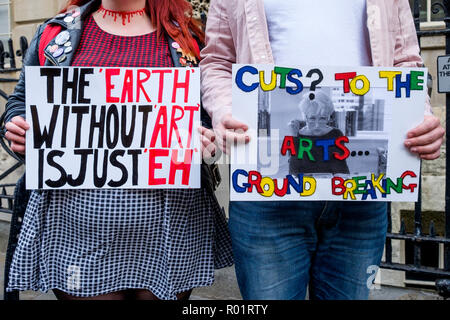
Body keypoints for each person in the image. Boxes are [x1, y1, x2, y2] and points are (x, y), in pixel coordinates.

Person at [200, 0, 445, 299]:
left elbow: (406, 62)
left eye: (321, 117)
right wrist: (225, 109)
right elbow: (217, 62)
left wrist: (419, 115)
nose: (315, 122)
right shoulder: (298, 131)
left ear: (330, 118)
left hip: (361, 201)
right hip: (266, 196)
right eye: (310, 117)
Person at [4, 0, 232, 300]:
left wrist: (205, 134)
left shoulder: (184, 37)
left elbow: (207, 109)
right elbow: (21, 101)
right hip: (77, 231)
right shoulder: (57, 33)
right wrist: (17, 127)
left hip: (168, 228)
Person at [288, 91, 350, 176]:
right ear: (305, 117)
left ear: (328, 117)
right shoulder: (297, 136)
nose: (317, 125)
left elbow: (341, 169)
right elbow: (294, 170)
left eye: (322, 118)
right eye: (312, 118)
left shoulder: (336, 134)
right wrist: (294, 137)